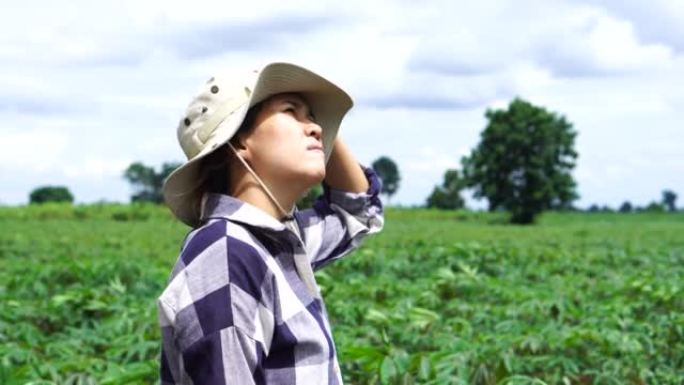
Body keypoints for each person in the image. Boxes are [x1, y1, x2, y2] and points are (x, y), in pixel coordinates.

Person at [157, 62, 385, 385]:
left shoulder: (281, 240)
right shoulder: (226, 253)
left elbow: (359, 211)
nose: (316, 129)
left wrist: (321, 129)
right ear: (238, 142)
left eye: (314, 119)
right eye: (291, 111)